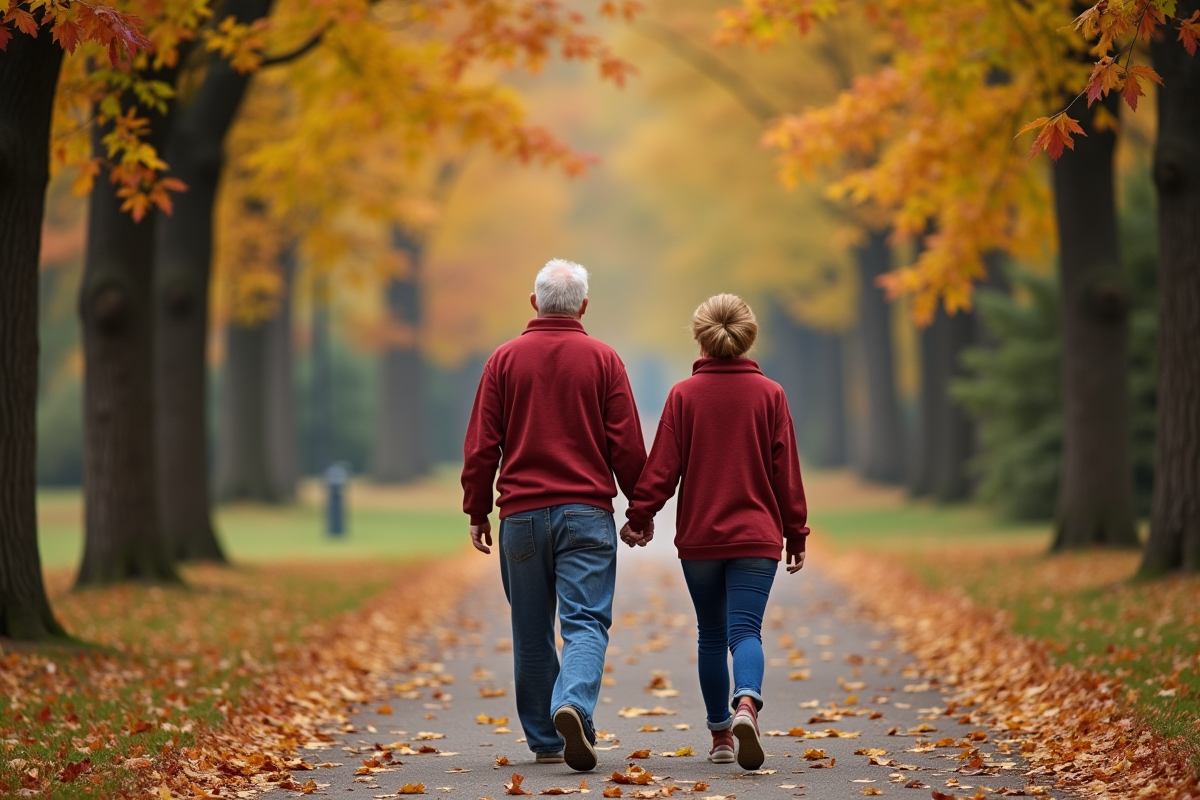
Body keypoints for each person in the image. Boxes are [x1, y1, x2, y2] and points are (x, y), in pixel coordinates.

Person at [462, 259, 649, 772]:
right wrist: (640, 508)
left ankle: (546, 739)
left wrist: (477, 508)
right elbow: (627, 444)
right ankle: (575, 704)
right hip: (586, 514)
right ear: (583, 306)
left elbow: (482, 446)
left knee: (531, 627)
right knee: (585, 622)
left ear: (534, 303)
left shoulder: (503, 360)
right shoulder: (604, 360)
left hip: (521, 516)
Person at [621, 293, 808, 770]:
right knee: (746, 631)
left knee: (710, 633)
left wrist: (639, 517)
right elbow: (786, 472)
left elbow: (662, 469)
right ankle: (747, 702)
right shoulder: (771, 395)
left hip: (701, 538)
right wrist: (796, 533)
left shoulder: (684, 395)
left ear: (701, 337)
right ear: (748, 336)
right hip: (756, 536)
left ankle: (721, 738)